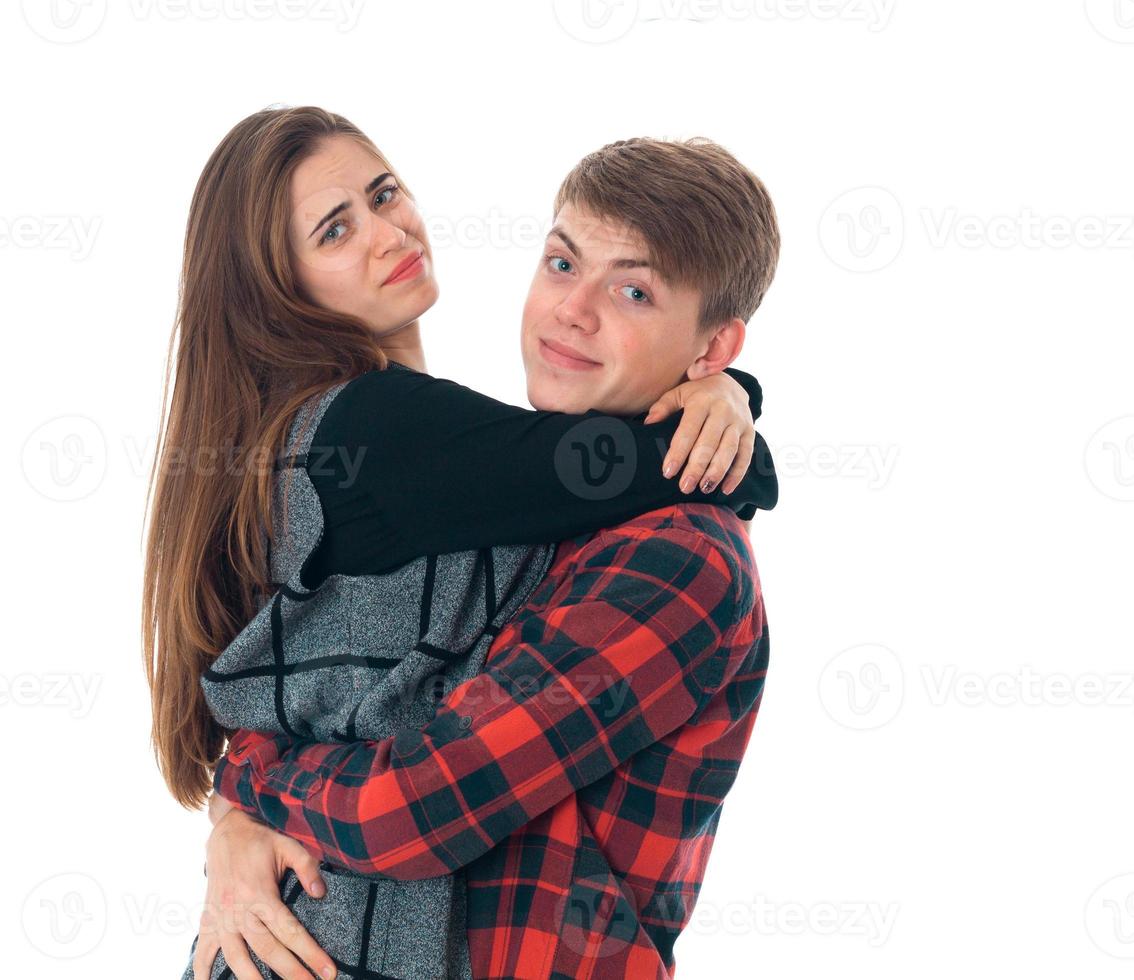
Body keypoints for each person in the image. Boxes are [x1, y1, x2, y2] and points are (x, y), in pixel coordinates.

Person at [143, 106, 775, 980]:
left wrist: (249, 799)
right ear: (275, 286)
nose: (385, 232)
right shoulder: (382, 431)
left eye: (383, 193)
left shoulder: (647, 549)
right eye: (562, 263)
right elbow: (611, 462)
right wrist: (733, 421)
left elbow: (354, 750)